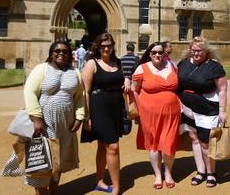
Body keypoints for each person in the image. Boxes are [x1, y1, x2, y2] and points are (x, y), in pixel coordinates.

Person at [22, 41, 85, 195]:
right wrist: (36, 118)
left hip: (65, 124)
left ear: (70, 54)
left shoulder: (75, 72)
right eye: (57, 51)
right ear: (51, 53)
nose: (61, 53)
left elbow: (80, 97)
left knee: (59, 161)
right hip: (44, 123)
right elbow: (29, 92)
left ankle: (54, 191)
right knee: (43, 160)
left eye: (65, 51)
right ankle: (42, 192)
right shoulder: (41, 69)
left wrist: (79, 117)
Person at [81, 33, 130, 195]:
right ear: (98, 47)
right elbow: (85, 92)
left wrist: (127, 81)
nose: (106, 48)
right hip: (98, 108)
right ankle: (116, 188)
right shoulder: (92, 64)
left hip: (115, 108)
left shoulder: (118, 62)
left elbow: (122, 82)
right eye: (103, 46)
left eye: (109, 45)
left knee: (103, 146)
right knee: (113, 146)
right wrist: (86, 117)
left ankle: (100, 181)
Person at [177, 37, 228, 188]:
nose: (195, 53)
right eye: (193, 50)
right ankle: (200, 172)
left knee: (205, 143)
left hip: (207, 110)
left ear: (206, 51)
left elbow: (222, 89)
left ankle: (211, 173)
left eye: (199, 50)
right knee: (194, 138)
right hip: (187, 108)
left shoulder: (214, 66)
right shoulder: (184, 63)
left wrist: (223, 111)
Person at [131, 42, 180, 189]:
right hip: (149, 114)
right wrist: (138, 110)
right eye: (154, 53)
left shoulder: (171, 66)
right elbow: (135, 90)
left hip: (172, 113)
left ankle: (168, 172)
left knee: (169, 143)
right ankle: (158, 174)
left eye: (160, 52)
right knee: (153, 145)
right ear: (149, 54)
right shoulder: (142, 68)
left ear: (164, 53)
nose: (157, 55)